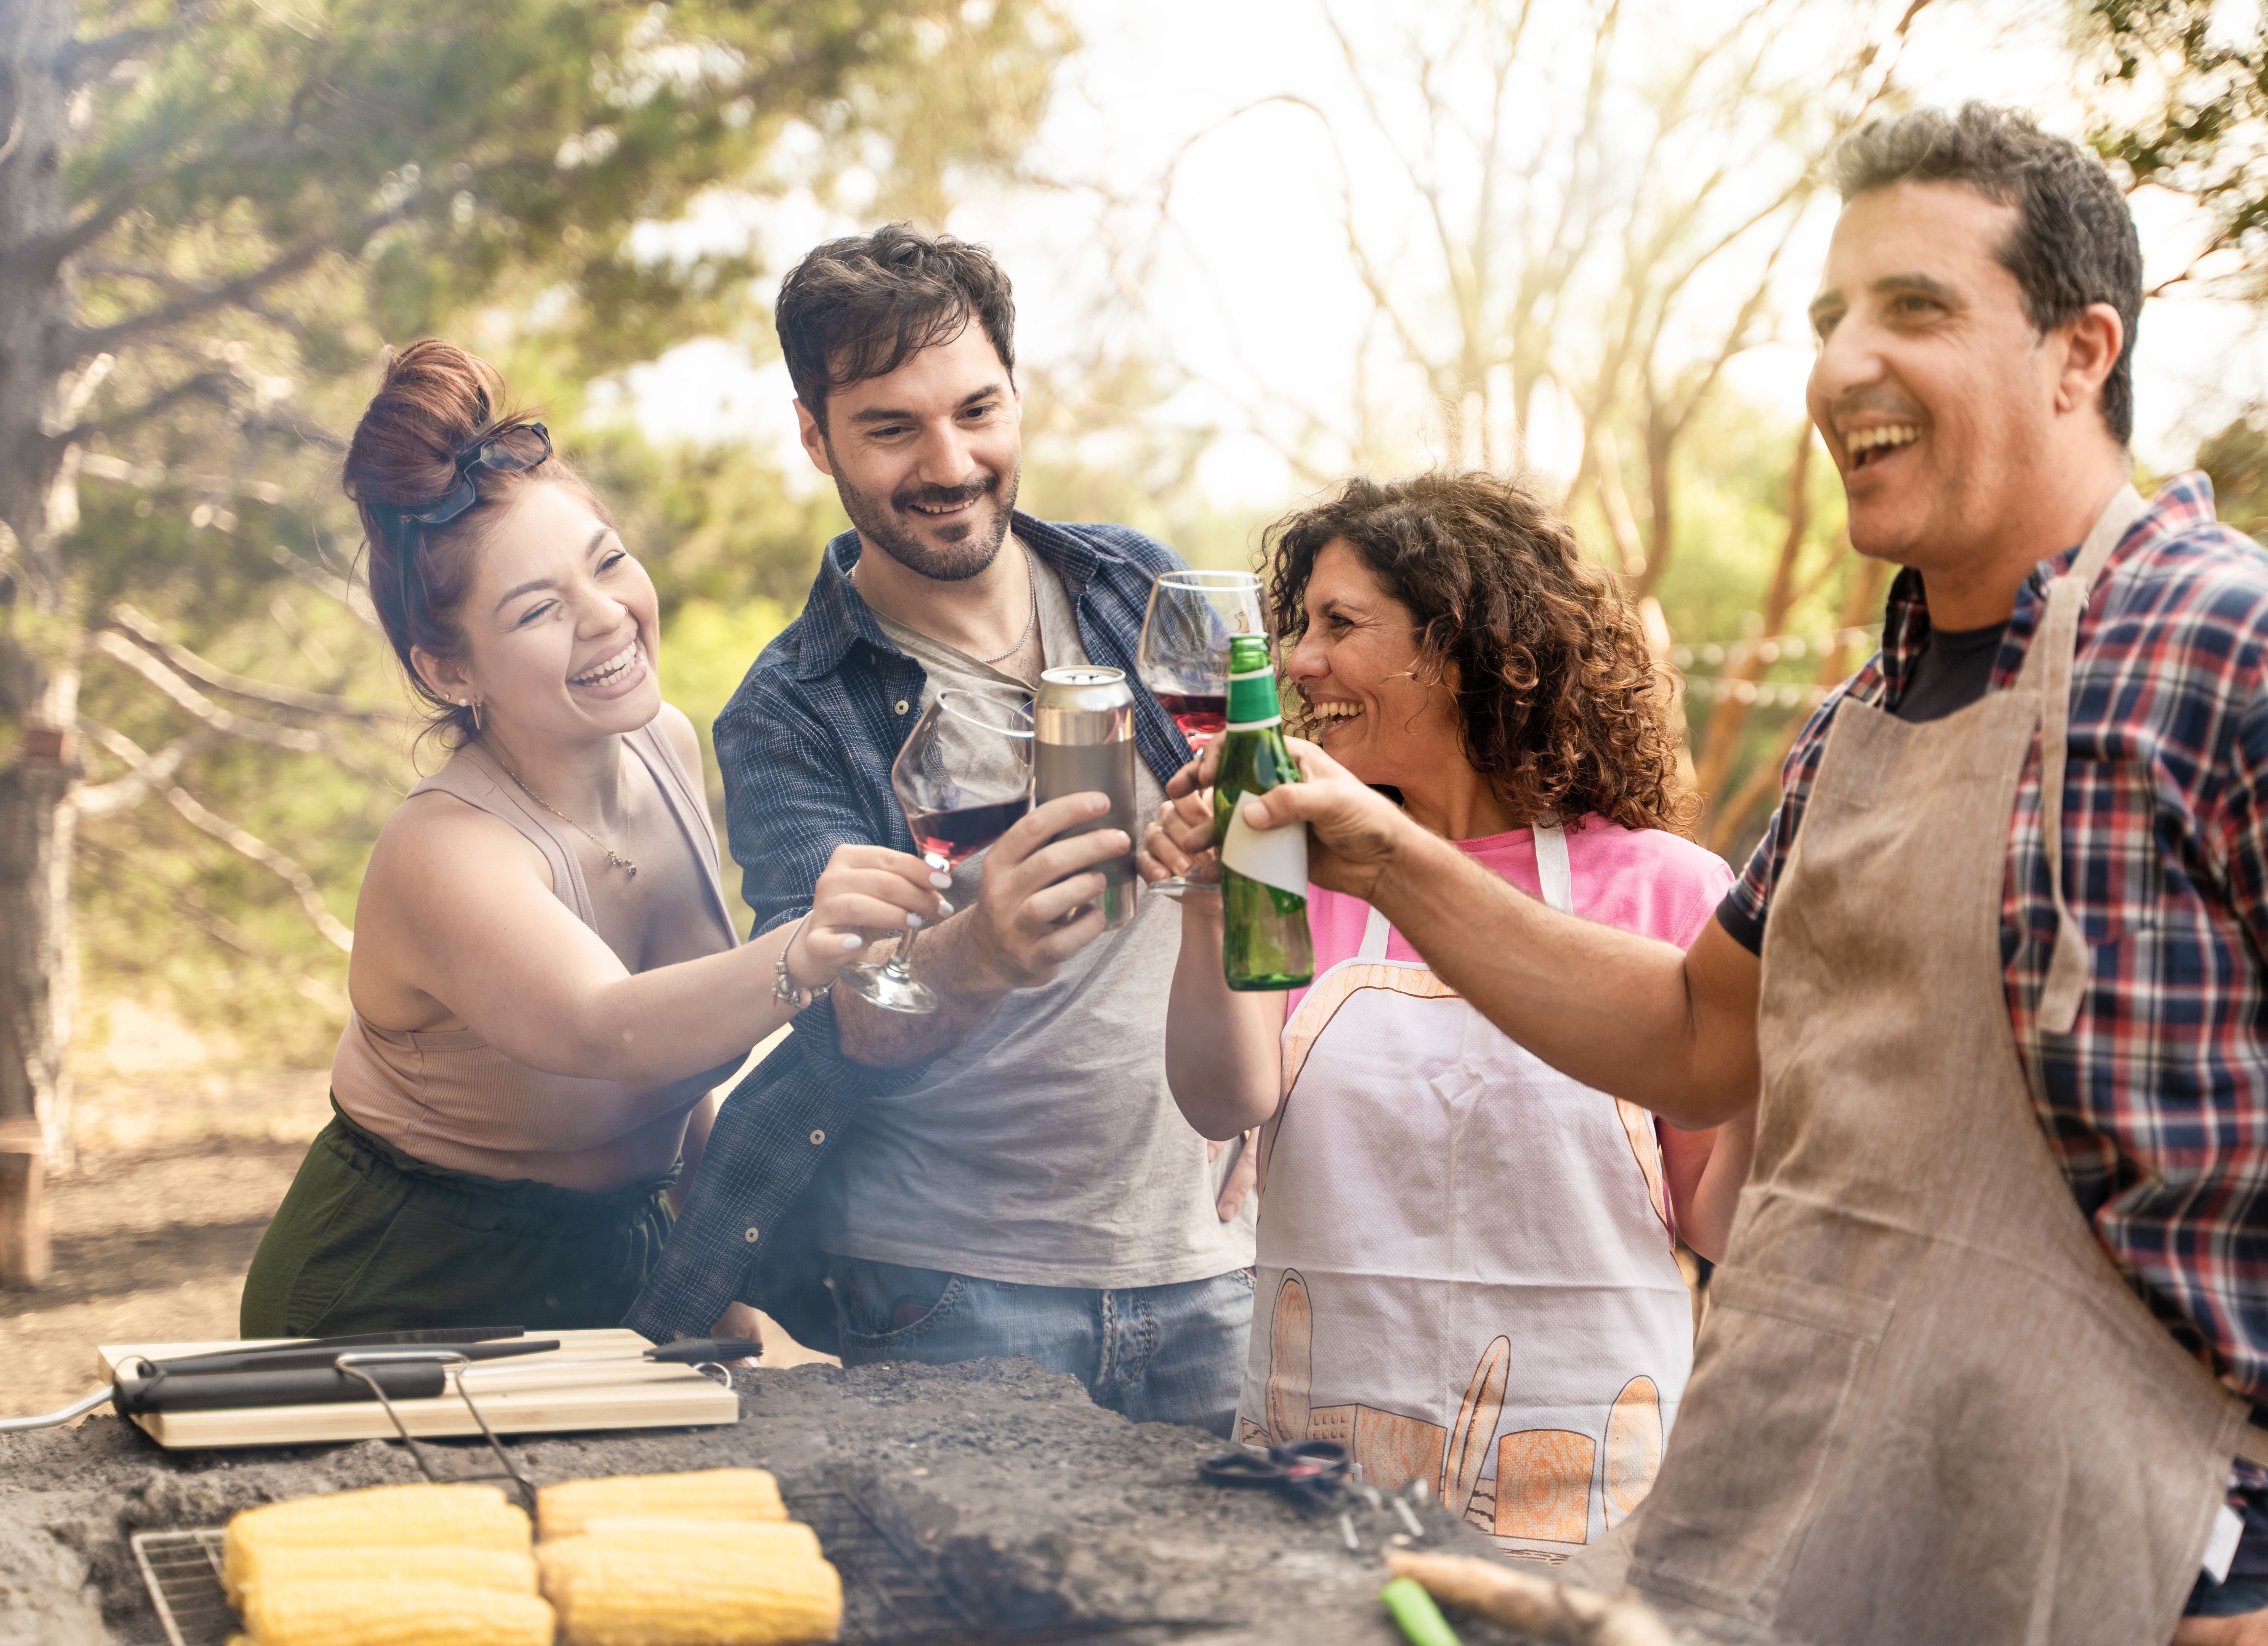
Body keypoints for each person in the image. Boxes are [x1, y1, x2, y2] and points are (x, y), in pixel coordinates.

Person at [1227, 106, 2268, 1644]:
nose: (1840, 364)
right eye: (1831, 317)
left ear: (2081, 353)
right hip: (1819, 1550)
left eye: (1917, 307)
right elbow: (1693, 1036)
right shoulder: (1857, 725)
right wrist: (1389, 855)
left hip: (2164, 1572)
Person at [621, 225, 1255, 1432]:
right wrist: (976, 953)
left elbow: (1272, 851)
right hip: (952, 1288)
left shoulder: (1139, 588)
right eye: (891, 427)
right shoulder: (787, 710)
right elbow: (838, 1011)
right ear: (815, 436)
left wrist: (1279, 1081)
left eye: (978, 411)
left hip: (1211, 1254)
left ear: (1017, 397)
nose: (951, 462)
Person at [241, 341, 936, 1337]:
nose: (607, 617)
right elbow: (608, 1032)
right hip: (409, 1276)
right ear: (449, 672)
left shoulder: (660, 741)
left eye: (608, 562)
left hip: (621, 1250)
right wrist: (804, 954)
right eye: (539, 610)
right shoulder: (447, 850)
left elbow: (679, 1059)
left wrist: (709, 1271)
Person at [1143, 473, 1752, 1559]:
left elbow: (1719, 1221)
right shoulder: (1299, 866)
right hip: (1316, 1488)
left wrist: (1792, 1039)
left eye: (1341, 625)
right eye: (1297, 626)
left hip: (1586, 1497)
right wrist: (1206, 892)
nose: (1296, 661)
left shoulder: (1669, 890)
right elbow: (1222, 1099)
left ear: (1463, 645)